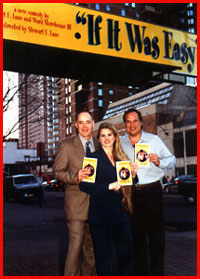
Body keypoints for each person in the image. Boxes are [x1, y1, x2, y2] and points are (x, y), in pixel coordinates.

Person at [120, 108, 176, 276]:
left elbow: (172, 160)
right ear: (125, 124)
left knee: (156, 239)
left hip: (152, 191)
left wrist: (159, 161)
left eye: (135, 121)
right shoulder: (120, 142)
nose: (132, 125)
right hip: (131, 193)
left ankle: (157, 273)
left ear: (141, 122)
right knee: (136, 239)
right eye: (128, 121)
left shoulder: (154, 140)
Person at [79, 122, 138, 276]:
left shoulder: (122, 156)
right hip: (100, 216)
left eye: (109, 135)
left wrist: (133, 174)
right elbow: (85, 186)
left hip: (121, 213)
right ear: (98, 139)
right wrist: (108, 187)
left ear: (115, 137)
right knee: (104, 259)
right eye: (103, 135)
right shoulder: (92, 158)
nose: (106, 138)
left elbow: (129, 183)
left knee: (126, 255)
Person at [53, 111, 99, 276]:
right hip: (76, 206)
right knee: (75, 246)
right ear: (76, 125)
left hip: (97, 205)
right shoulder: (67, 146)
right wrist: (75, 177)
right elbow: (57, 172)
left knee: (92, 248)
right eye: (81, 122)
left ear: (93, 124)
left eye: (88, 122)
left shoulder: (100, 144)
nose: (85, 126)